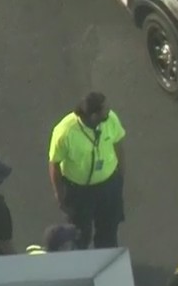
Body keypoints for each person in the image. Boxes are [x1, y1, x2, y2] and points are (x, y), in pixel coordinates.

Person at [48, 92, 127, 249]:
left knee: (109, 230)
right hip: (79, 192)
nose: (109, 111)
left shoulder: (111, 120)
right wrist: (59, 195)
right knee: (80, 234)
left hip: (108, 186)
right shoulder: (65, 132)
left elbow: (118, 144)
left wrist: (119, 177)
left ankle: (105, 260)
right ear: (93, 115)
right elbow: (54, 164)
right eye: (105, 109)